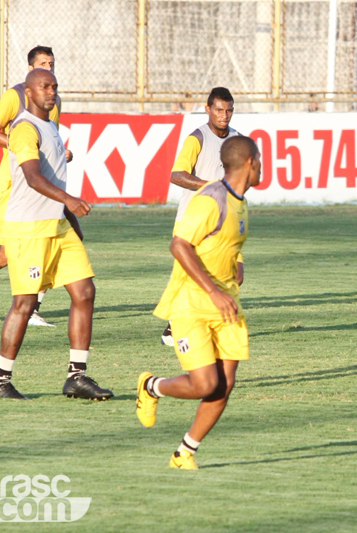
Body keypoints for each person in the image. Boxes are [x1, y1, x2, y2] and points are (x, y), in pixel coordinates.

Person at [0, 68, 111, 401]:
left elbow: (55, 180)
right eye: (44, 87)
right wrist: (69, 200)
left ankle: (77, 377)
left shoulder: (51, 127)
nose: (51, 92)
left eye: (54, 86)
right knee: (24, 304)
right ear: (28, 92)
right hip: (28, 228)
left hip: (57, 224)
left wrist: (72, 221)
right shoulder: (24, 128)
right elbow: (33, 178)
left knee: (84, 291)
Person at [136, 135, 261, 470]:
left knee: (226, 384)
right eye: (260, 160)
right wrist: (213, 291)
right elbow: (179, 245)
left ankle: (185, 452)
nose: (263, 166)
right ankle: (151, 387)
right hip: (192, 302)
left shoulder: (241, 200)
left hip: (226, 305)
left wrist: (233, 272)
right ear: (249, 162)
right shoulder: (211, 198)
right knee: (205, 383)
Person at [0, 46, 71, 327]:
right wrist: (21, 147)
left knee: (49, 243)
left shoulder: (54, 101)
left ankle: (31, 308)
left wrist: (62, 152)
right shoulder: (14, 96)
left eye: (52, 63)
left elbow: (50, 138)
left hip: (44, 187)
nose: (49, 67)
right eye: (43, 63)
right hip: (15, 186)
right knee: (10, 252)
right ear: (31, 68)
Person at [160, 86, 243, 346]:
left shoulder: (238, 139)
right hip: (192, 221)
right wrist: (210, 186)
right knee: (190, 276)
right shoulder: (197, 138)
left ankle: (186, 324)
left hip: (224, 221)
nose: (224, 116)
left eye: (228, 110)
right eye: (218, 110)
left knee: (236, 275)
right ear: (208, 109)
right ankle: (175, 327)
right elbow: (176, 175)